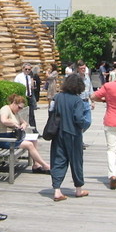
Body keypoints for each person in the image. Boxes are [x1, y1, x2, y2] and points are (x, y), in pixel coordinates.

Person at [50, 73, 88, 201]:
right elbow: (78, 118)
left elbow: (51, 112)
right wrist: (83, 125)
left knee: (58, 159)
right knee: (76, 160)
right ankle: (78, 189)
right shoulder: (77, 100)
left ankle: (57, 190)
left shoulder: (57, 97)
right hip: (73, 134)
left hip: (58, 133)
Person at [0, 94, 51, 173]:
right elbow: (4, 120)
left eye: (21, 108)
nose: (19, 110)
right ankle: (45, 165)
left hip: (12, 137)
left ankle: (36, 165)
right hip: (4, 139)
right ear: (14, 103)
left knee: (34, 140)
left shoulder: (15, 113)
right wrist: (14, 124)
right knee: (29, 145)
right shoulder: (5, 109)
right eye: (19, 107)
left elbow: (25, 123)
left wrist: (23, 125)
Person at [13, 62, 37, 129]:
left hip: (30, 97)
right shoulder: (19, 77)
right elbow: (15, 87)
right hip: (23, 98)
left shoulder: (29, 77)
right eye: (26, 69)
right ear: (23, 69)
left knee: (31, 115)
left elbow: (31, 87)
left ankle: (34, 130)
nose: (27, 71)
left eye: (29, 69)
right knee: (22, 114)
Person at [76, 60, 94, 133]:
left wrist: (93, 101)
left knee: (88, 122)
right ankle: (79, 140)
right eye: (81, 68)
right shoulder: (75, 78)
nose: (83, 70)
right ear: (78, 69)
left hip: (86, 102)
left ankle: (78, 134)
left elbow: (90, 89)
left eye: (84, 68)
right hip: (78, 102)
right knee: (79, 122)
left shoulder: (87, 77)